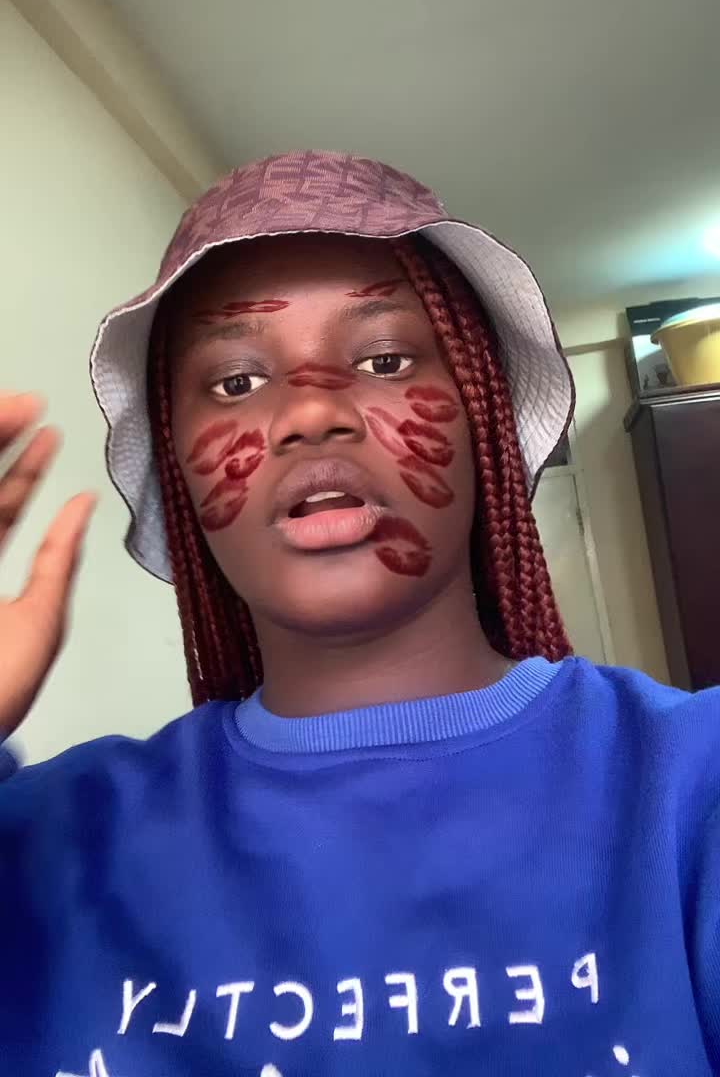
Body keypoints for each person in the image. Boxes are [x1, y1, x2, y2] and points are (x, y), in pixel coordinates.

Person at [0, 151, 717, 1077]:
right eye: (235, 382)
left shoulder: (691, 790)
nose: (310, 413)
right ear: (176, 469)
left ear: (482, 417)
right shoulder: (48, 843)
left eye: (384, 360)